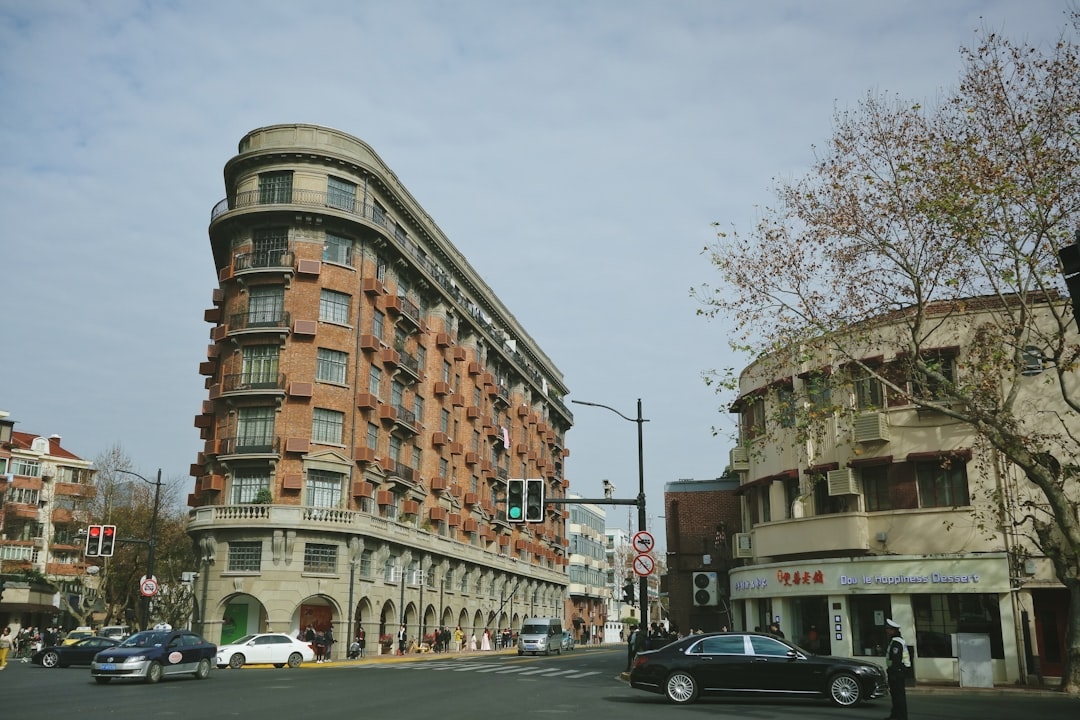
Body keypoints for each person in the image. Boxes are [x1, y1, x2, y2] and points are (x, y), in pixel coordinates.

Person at [884, 619, 910, 720]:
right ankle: (895, 715)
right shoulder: (897, 640)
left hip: (897, 672)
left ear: (893, 630)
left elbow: (896, 659)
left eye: (888, 629)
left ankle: (900, 717)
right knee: (896, 696)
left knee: (898, 697)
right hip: (898, 671)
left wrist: (893, 673)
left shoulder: (896, 643)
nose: (887, 631)